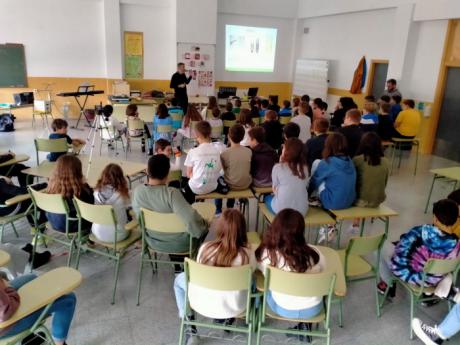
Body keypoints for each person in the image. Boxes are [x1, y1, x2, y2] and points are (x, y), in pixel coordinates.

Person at [173, 209, 255, 330]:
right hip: (236, 306)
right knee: (253, 280)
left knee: (178, 282)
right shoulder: (248, 254)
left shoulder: (205, 249)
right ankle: (251, 319)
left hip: (202, 303)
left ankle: (188, 321)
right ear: (243, 230)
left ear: (219, 228)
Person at [378, 199, 459, 297]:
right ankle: (427, 293)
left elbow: (399, 256)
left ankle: (388, 285)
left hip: (410, 276)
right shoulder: (457, 245)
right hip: (432, 281)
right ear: (456, 220)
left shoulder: (420, 232)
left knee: (382, 245)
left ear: (435, 218)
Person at [256, 209, 325, 324]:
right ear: (301, 231)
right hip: (313, 308)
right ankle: (305, 324)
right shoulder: (315, 255)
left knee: (260, 285)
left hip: (283, 307)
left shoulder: (267, 255)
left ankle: (256, 314)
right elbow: (324, 271)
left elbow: (257, 267)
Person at [132, 154, 208, 255]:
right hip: (181, 244)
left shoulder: (138, 192)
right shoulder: (172, 193)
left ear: (147, 171)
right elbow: (192, 220)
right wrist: (205, 225)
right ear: (168, 173)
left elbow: (139, 218)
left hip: (153, 242)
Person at [0, 273, 77, 345]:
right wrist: (7, 287)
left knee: (32, 278)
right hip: (7, 324)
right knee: (68, 299)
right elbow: (6, 311)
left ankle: (29, 337)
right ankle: (60, 343)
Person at [349, 132, 389, 232]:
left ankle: (355, 223)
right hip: (378, 200)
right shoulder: (385, 161)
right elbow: (385, 182)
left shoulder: (357, 160)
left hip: (360, 201)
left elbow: (352, 182)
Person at [45, 155, 94, 234]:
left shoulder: (52, 186)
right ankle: (89, 238)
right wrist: (85, 185)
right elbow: (91, 205)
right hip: (72, 226)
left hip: (53, 222)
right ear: (77, 172)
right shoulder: (80, 191)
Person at [309, 132, 356, 210]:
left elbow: (314, 182)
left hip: (332, 202)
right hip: (349, 201)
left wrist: (306, 193)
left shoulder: (327, 162)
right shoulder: (350, 161)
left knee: (316, 163)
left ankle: (312, 197)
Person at [265, 138, 309, 216]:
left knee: (267, 198)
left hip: (282, 211)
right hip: (302, 211)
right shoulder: (305, 168)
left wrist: (281, 161)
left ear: (286, 151)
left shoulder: (278, 167)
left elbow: (274, 189)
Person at [182, 121, 222, 204]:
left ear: (197, 136)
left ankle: (192, 210)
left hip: (196, 188)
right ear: (210, 133)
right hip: (212, 187)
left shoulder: (193, 151)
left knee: (185, 190)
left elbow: (189, 173)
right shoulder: (218, 151)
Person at [216, 125, 252, 215]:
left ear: (228, 136)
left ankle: (218, 210)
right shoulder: (249, 151)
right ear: (243, 137)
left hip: (231, 185)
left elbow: (223, 170)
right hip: (246, 184)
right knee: (233, 175)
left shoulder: (225, 153)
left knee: (219, 179)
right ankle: (230, 207)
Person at [91, 164, 131, 243]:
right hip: (118, 235)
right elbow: (131, 205)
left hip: (97, 232)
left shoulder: (96, 192)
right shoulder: (123, 195)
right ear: (121, 178)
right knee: (130, 215)